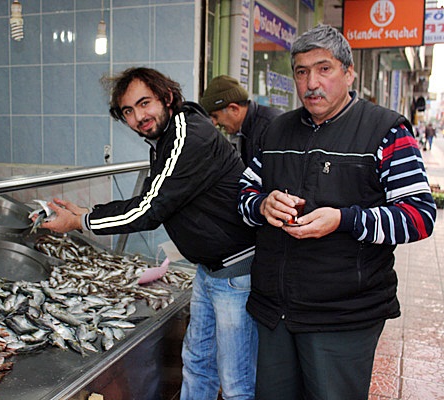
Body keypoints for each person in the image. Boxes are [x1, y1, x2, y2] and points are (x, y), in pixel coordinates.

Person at [237, 24, 436, 400]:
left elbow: (419, 216)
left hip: (343, 317)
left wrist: (346, 220)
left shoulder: (386, 130)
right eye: (301, 71)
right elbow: (244, 193)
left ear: (349, 72)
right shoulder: (277, 131)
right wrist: (262, 205)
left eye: (324, 69)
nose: (312, 82)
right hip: (274, 312)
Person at [36, 67, 258, 399]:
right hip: (210, 271)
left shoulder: (186, 135)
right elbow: (154, 197)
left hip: (234, 274)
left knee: (237, 382)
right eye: (128, 111)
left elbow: (150, 208)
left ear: (167, 97)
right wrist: (87, 214)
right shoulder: (166, 138)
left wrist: (81, 223)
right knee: (197, 364)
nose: (138, 116)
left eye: (144, 103)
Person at [200, 75, 283, 166]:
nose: (215, 123)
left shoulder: (271, 126)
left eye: (215, 116)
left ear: (234, 109)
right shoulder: (244, 131)